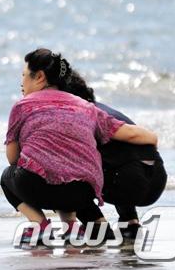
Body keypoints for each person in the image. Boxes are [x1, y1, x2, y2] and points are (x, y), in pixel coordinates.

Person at [0, 48, 158, 246]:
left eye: (23, 76)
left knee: (8, 176)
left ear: (39, 77)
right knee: (69, 172)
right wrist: (152, 138)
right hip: (83, 194)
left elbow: (12, 158)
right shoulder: (86, 107)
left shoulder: (22, 106)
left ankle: (40, 225)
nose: (21, 82)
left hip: (36, 187)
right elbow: (134, 133)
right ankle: (74, 228)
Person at [64, 74, 167, 240]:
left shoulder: (80, 115)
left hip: (130, 182)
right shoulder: (106, 110)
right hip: (157, 178)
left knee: (60, 169)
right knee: (117, 157)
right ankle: (129, 223)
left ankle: (96, 224)